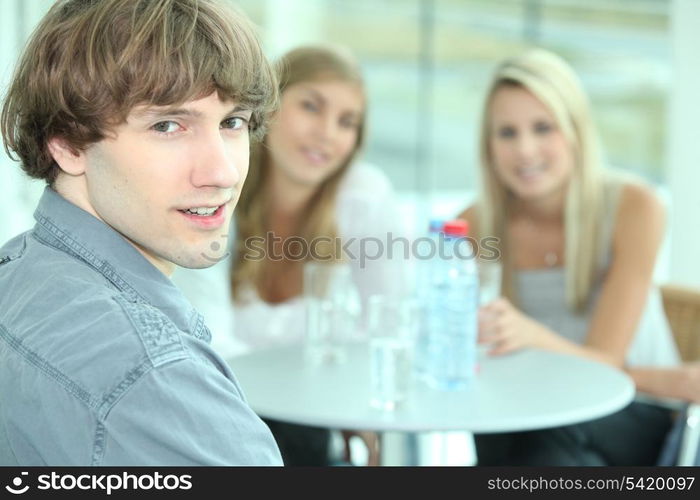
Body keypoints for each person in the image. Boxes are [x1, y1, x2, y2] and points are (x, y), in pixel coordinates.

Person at [0, 0, 282, 465]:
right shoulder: (153, 379)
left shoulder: (16, 272)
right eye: (168, 125)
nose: (223, 172)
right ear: (69, 144)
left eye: (233, 122)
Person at [174, 45, 407, 466]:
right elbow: (210, 351)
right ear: (268, 106)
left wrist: (356, 407)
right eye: (312, 107)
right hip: (221, 418)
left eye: (347, 122)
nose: (327, 134)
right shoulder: (215, 189)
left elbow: (390, 322)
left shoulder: (362, 196)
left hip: (313, 423)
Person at [459, 48, 689, 466]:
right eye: (507, 133)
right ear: (489, 146)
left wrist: (530, 339)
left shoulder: (634, 207)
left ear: (576, 131)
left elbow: (606, 364)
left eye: (543, 128)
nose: (525, 150)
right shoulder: (472, 226)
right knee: (507, 424)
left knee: (549, 426)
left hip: (641, 413)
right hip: (536, 419)